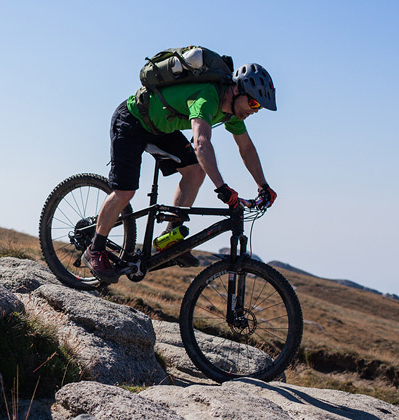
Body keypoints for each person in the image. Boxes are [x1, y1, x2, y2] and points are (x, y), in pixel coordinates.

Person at [81, 62, 279, 280]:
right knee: (125, 192)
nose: (254, 110)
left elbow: (246, 147)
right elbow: (201, 143)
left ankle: (171, 236)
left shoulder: (232, 114)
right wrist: (221, 187)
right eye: (253, 102)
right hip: (133, 119)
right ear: (236, 90)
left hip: (160, 127)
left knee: (195, 171)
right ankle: (94, 249)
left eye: (259, 107)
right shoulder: (207, 98)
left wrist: (263, 185)